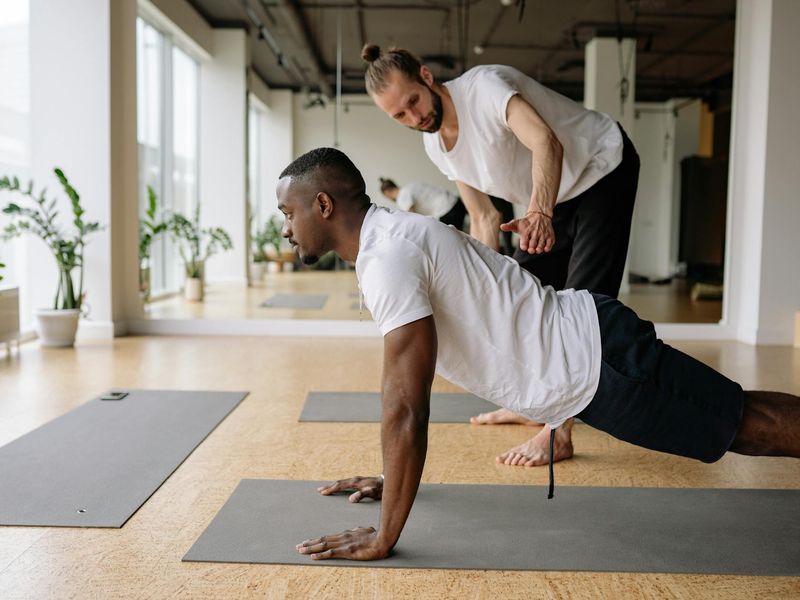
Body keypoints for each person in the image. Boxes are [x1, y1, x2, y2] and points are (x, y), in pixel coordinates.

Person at [279, 147, 800, 562]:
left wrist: (383, 535)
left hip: (600, 365)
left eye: (287, 212)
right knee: (738, 416)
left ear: (323, 205)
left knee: (744, 424)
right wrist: (394, 482)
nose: (285, 227)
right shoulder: (390, 241)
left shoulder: (387, 256)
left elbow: (406, 409)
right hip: (593, 351)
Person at [362, 44, 641, 466]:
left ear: (425, 76)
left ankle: (558, 433)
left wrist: (539, 213)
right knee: (522, 302)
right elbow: (484, 217)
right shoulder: (436, 147)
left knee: (585, 303)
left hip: (601, 168)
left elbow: (547, 142)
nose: (414, 117)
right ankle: (537, 404)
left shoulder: (485, 88)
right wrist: (482, 294)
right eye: (399, 115)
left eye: (414, 101)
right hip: (550, 197)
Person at [379, 177, 516, 253]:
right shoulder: (412, 185)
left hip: (446, 211)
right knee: (480, 224)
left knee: (455, 244)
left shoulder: (402, 196)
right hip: (455, 201)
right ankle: (504, 246)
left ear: (387, 194)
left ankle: (494, 253)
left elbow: (413, 218)